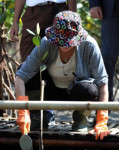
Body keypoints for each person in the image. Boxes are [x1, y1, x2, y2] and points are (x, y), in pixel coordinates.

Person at [15, 11, 110, 140]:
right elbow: (20, 76)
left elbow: (102, 83)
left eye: (69, 41)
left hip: (77, 92)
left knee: (89, 89)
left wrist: (102, 121)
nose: (65, 44)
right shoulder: (46, 43)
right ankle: (37, 116)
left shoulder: (90, 45)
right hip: (50, 89)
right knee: (28, 74)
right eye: (61, 40)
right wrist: (23, 111)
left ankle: (81, 118)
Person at [10, 0, 77, 130]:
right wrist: (15, 22)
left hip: (60, 10)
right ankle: (34, 114)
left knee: (58, 58)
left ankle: (48, 112)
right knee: (28, 63)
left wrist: (73, 18)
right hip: (33, 12)